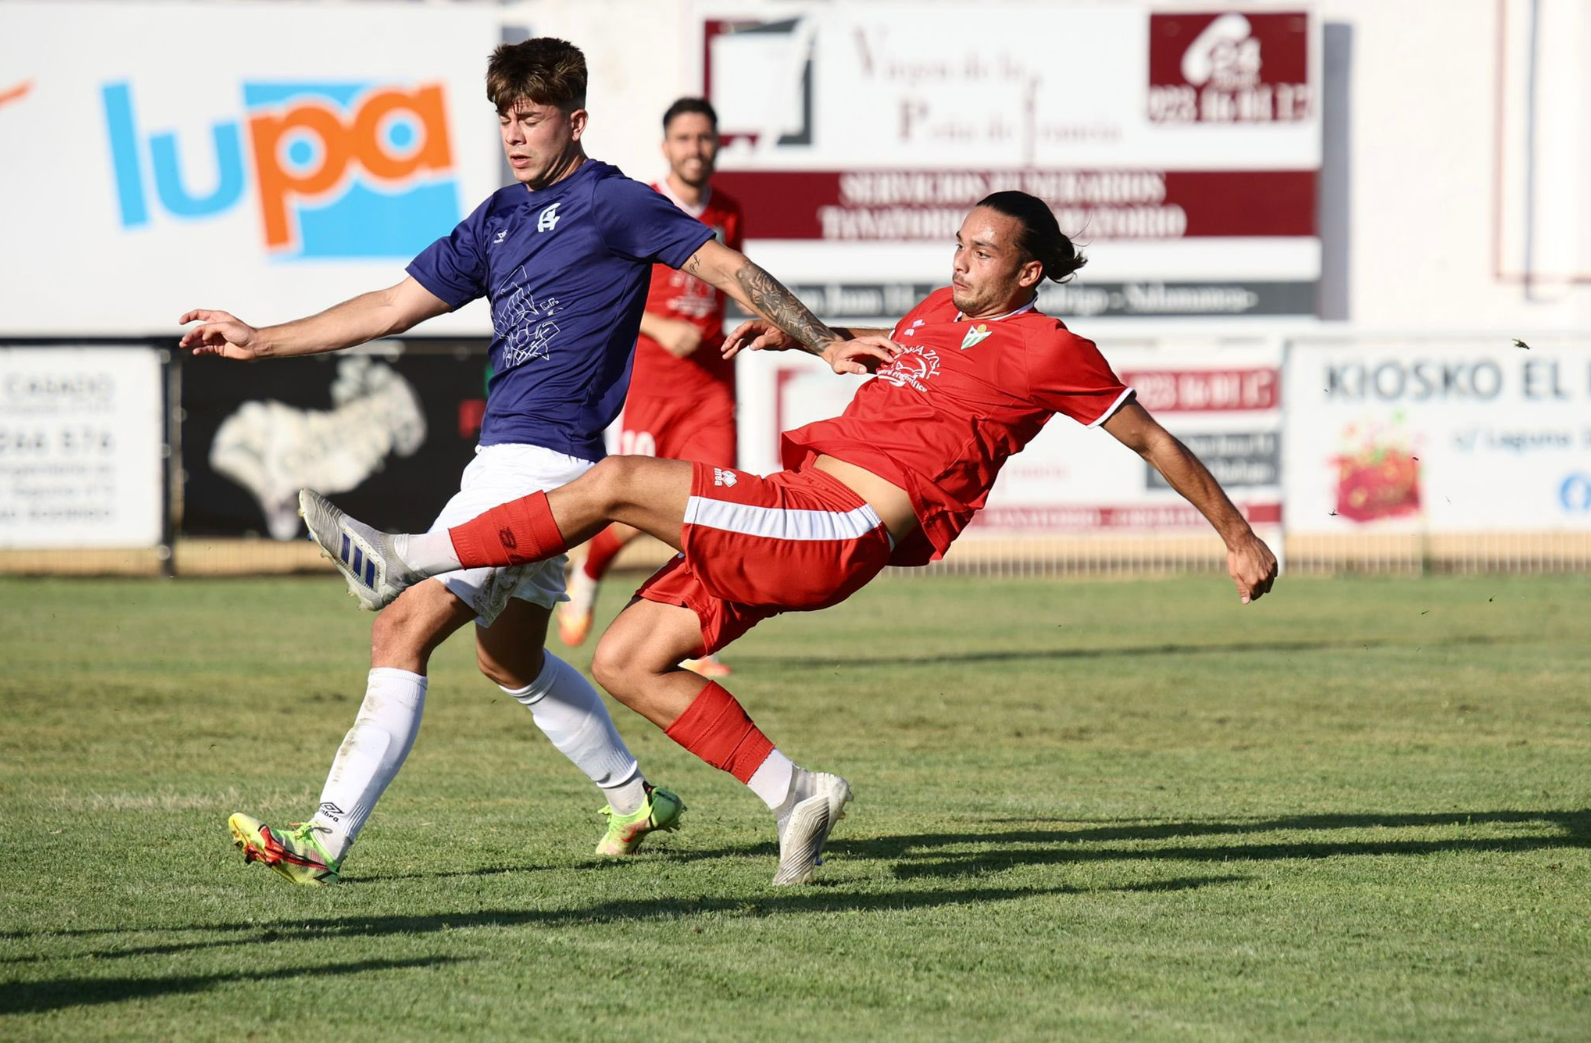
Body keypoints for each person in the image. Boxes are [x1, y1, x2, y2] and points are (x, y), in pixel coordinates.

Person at [297, 191, 1280, 885]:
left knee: (616, 483)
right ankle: (796, 791)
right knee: (631, 657)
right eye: (958, 243)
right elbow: (897, 372)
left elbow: (1150, 436)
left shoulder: (1054, 348)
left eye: (981, 252)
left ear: (1027, 271)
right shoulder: (939, 311)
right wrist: (808, 333)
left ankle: (413, 556)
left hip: (837, 523)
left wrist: (1236, 537)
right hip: (797, 501)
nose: (957, 261)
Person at [177, 38, 895, 887]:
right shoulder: (496, 218)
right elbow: (388, 305)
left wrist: (825, 341)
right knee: (507, 656)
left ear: (575, 120)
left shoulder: (615, 202)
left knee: (398, 625)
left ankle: (324, 838)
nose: (515, 136)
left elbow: (726, 265)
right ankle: (637, 799)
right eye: (505, 120)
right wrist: (263, 339)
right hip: (530, 470)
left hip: (541, 466)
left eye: (532, 118)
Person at [559, 97, 742, 680]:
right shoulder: (641, 203)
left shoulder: (731, 211)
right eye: (684, 138)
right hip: (650, 387)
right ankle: (588, 571)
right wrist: (660, 325)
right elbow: (599, 289)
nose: (695, 148)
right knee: (636, 513)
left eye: (704, 138)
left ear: (716, 146)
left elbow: (729, 280)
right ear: (667, 148)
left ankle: (697, 638)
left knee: (716, 512)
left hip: (710, 389)